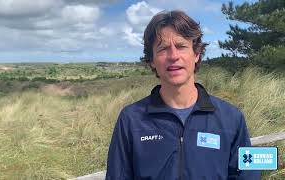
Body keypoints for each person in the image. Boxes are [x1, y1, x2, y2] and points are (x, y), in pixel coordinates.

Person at [106, 10, 261, 180]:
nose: (173, 56)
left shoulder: (232, 118)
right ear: (151, 60)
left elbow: (248, 175)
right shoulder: (130, 119)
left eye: (181, 46)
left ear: (196, 54)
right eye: (163, 48)